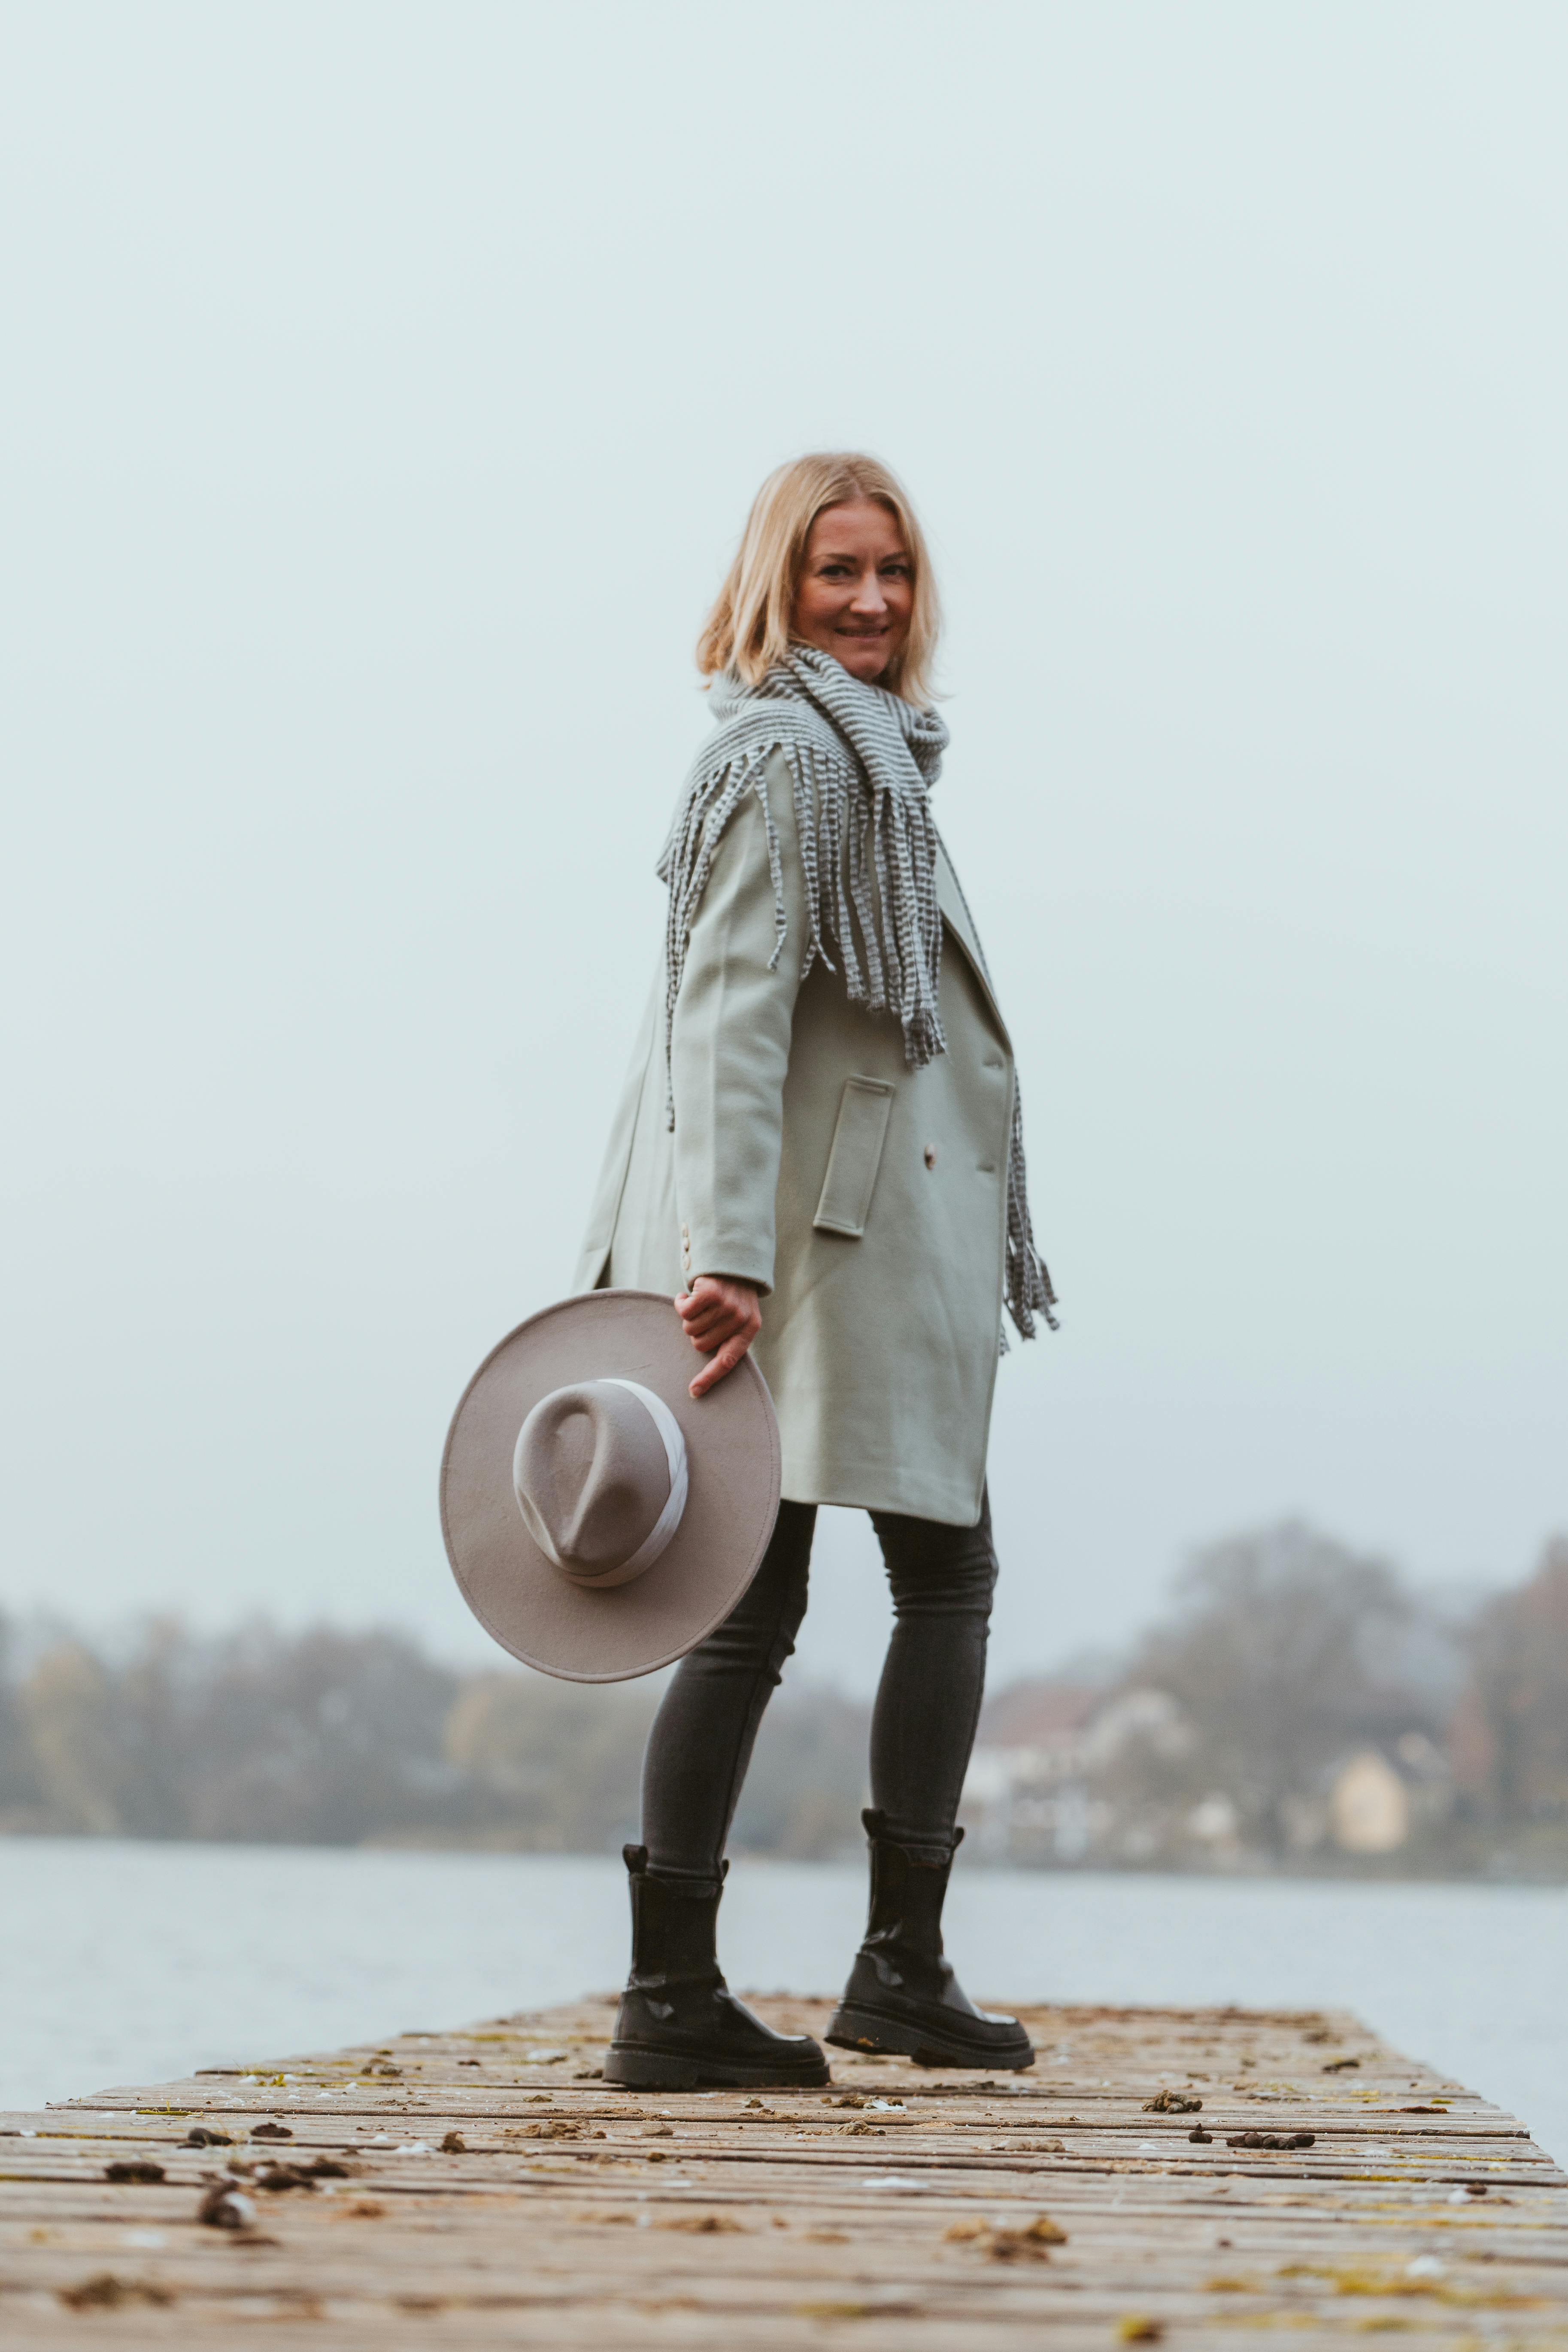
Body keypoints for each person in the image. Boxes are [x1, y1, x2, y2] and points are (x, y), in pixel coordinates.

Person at [576, 452, 1056, 2089]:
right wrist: (722, 1259)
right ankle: (715, 1991)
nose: (868, 601)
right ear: (776, 586)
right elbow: (726, 1016)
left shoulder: (877, 764)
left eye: (895, 574)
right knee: (776, 1598)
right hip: (797, 1252)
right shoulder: (788, 760)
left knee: (880, 1580)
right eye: (836, 570)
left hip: (851, 1243)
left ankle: (854, 1973)